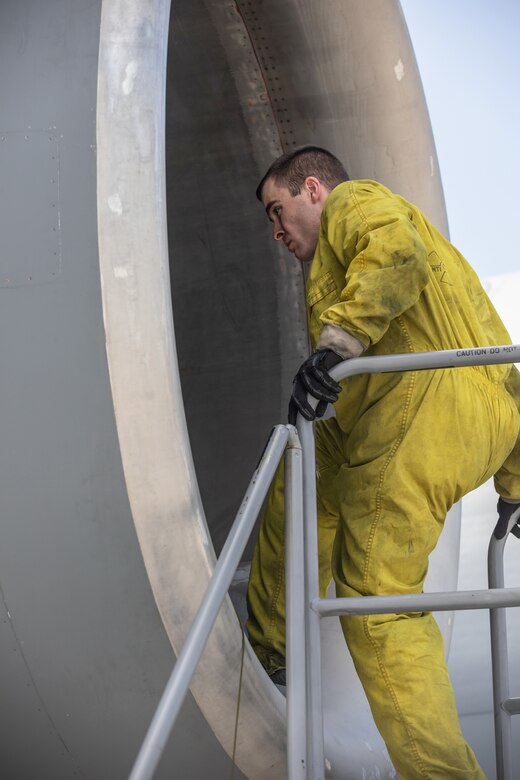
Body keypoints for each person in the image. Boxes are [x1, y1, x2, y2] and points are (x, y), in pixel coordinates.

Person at [245, 145, 520, 778]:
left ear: (313, 189)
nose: (276, 231)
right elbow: (495, 360)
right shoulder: (445, 256)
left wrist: (336, 344)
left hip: (422, 406)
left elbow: (394, 250)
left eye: (277, 210)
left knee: (374, 591)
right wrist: (514, 479)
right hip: (467, 411)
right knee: (304, 461)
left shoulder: (355, 203)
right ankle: (272, 641)